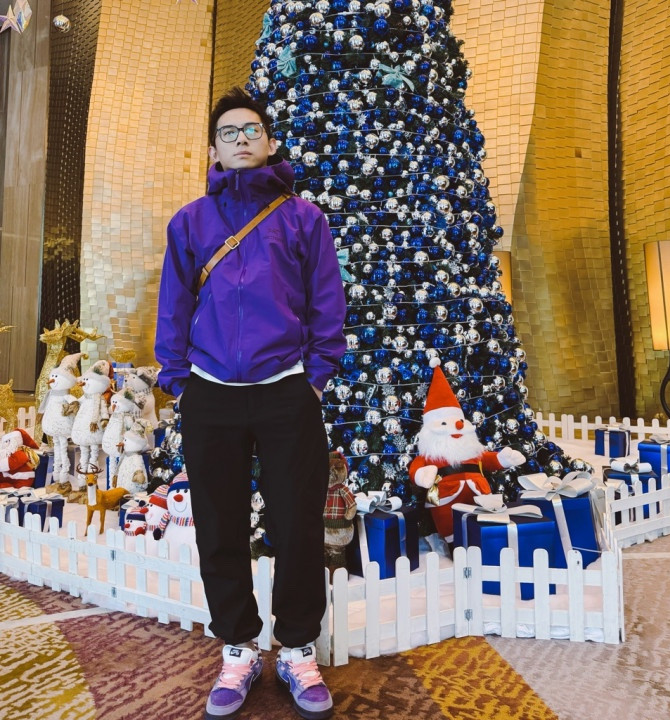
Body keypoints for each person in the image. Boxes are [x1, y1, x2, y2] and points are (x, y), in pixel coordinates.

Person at [155, 86, 346, 720]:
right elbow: (174, 303)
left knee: (297, 525)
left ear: (270, 142)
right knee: (219, 525)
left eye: (252, 130)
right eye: (229, 132)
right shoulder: (190, 222)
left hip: (286, 391)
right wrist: (178, 380)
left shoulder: (304, 219)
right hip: (210, 392)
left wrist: (315, 377)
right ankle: (238, 647)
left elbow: (326, 303)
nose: (241, 139)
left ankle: (296, 649)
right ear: (213, 148)